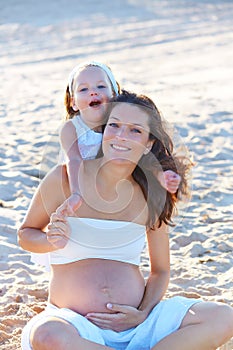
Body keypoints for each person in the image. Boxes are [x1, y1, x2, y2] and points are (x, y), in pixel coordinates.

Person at [18, 91, 233, 350]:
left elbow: (160, 271)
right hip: (76, 325)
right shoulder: (63, 179)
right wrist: (51, 241)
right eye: (115, 125)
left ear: (149, 143)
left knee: (224, 317)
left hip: (138, 326)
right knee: (47, 336)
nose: (121, 136)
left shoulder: (154, 192)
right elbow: (26, 234)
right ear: (103, 130)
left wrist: (142, 313)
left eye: (135, 131)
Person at [57, 61, 181, 215]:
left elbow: (141, 156)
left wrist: (160, 175)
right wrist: (76, 194)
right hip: (76, 185)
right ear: (73, 102)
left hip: (110, 186)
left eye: (101, 86)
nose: (93, 92)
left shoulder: (118, 127)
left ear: (114, 95)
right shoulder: (71, 128)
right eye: (83, 89)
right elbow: (74, 160)